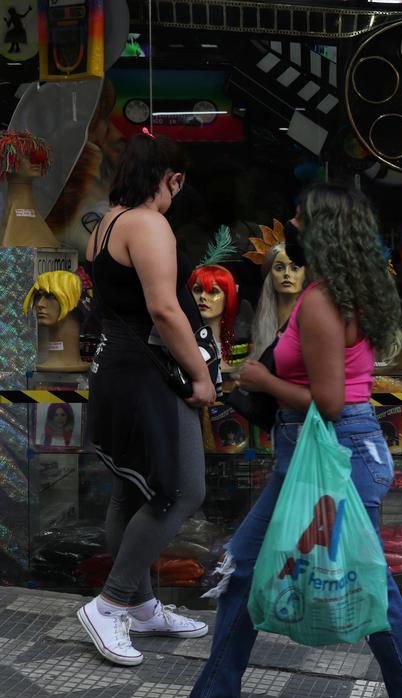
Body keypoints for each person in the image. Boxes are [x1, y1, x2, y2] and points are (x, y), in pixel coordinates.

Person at [136, 184, 402, 698]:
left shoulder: (326, 302)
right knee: (243, 573)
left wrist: (260, 380)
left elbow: (329, 402)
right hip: (319, 455)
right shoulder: (344, 293)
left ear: (322, 231)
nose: (291, 225)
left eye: (299, 218)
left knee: (369, 590)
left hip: (332, 454)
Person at [78, 132, 213, 668]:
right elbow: (165, 310)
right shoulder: (149, 224)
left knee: (132, 492)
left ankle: (142, 607)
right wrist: (201, 375)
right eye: (179, 185)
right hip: (147, 372)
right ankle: (110, 604)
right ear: (172, 179)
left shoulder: (107, 222)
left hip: (115, 366)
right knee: (181, 490)